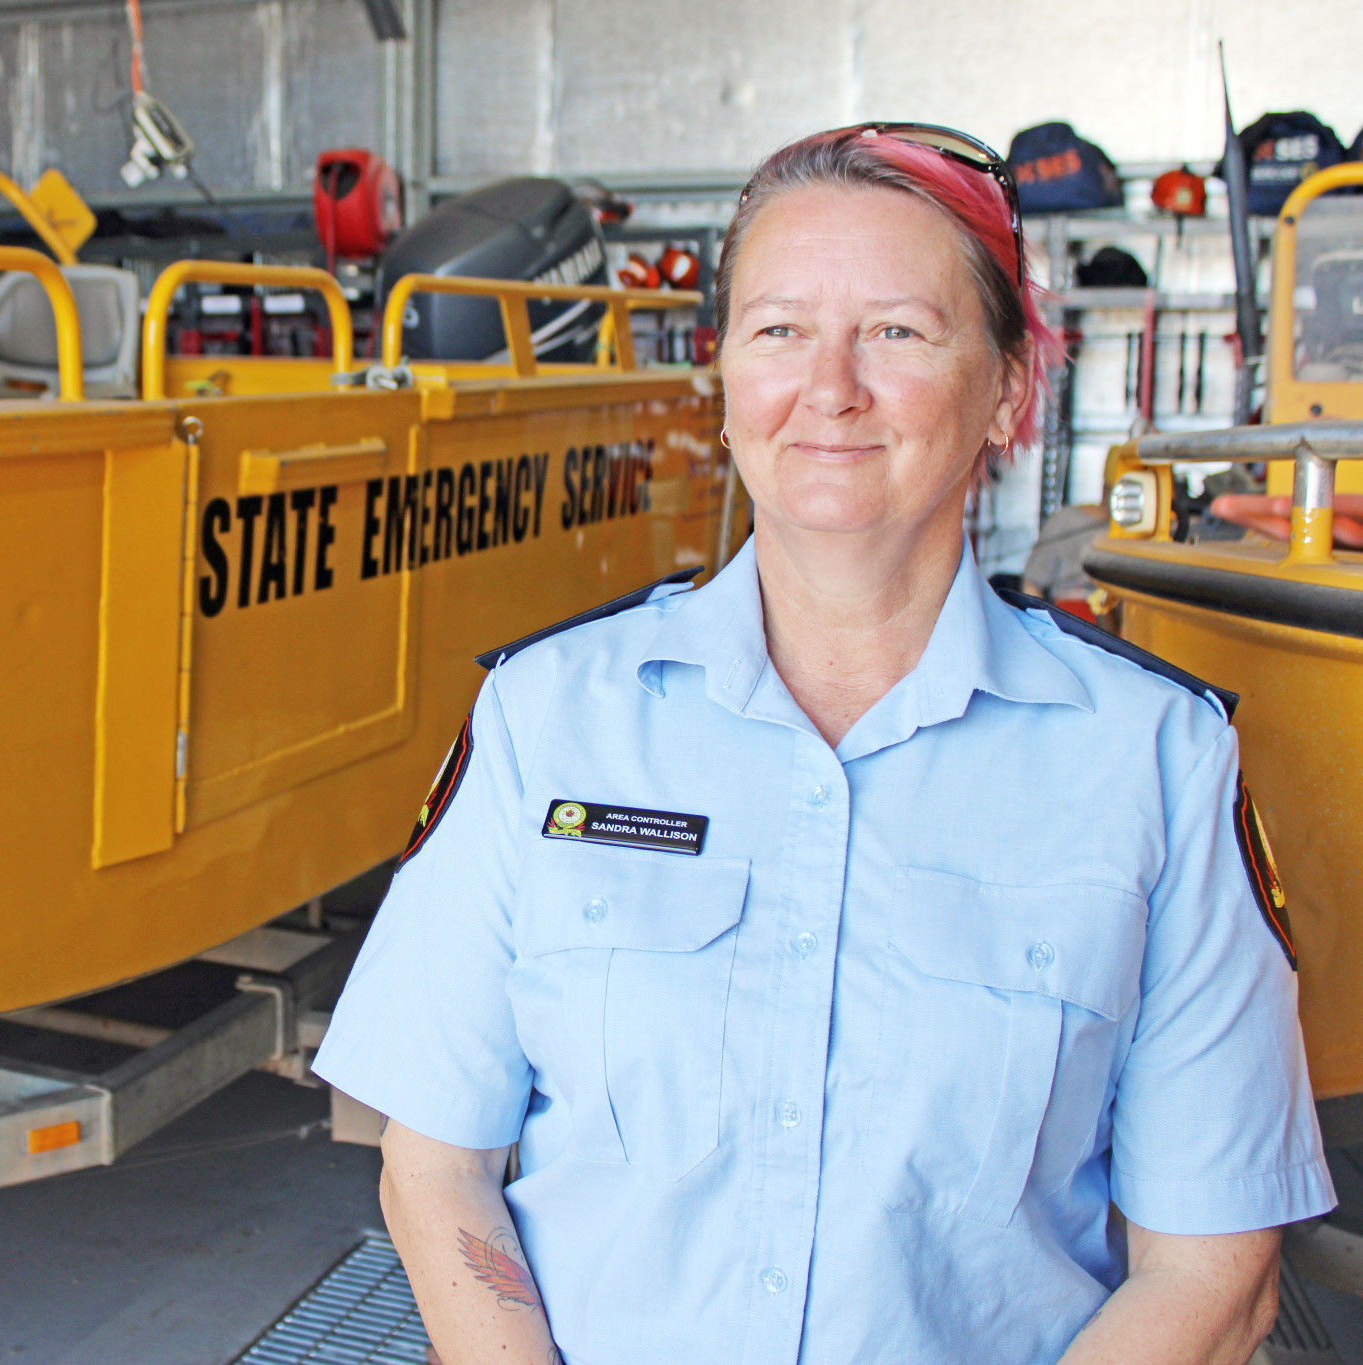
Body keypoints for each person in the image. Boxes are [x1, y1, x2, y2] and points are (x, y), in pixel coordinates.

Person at [313, 124, 1332, 1365]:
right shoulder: (548, 717)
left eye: (897, 332)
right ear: (726, 381)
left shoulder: (1154, 760)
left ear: (1008, 388)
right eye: (778, 330)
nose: (829, 386)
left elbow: (1213, 1271)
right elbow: (434, 1167)